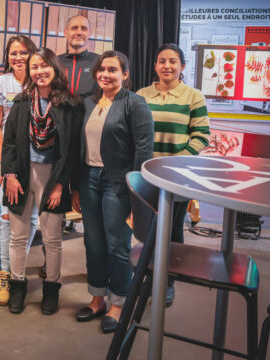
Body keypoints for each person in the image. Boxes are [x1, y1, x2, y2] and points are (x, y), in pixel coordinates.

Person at [75, 50, 154, 333]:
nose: (105, 74)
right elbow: (79, 147)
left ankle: (118, 303)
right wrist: (76, 186)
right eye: (101, 69)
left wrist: (137, 194)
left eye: (112, 70)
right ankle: (97, 297)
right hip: (89, 180)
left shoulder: (135, 103)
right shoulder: (89, 103)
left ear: (125, 74)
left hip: (118, 182)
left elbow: (144, 150)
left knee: (117, 244)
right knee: (93, 242)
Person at [1, 48, 82, 315]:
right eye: (34, 67)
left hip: (53, 177)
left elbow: (72, 149)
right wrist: (10, 175)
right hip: (22, 175)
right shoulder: (22, 101)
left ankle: (51, 289)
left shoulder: (70, 104)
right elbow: (10, 141)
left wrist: (60, 184)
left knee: (52, 238)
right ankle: (17, 286)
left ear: (54, 68)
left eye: (44, 66)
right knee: (18, 236)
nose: (39, 71)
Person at [136, 43, 209, 307]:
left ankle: (168, 280)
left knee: (172, 229)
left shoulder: (193, 96)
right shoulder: (141, 94)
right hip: (145, 174)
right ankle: (148, 273)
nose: (167, 66)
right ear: (155, 65)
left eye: (173, 61)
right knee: (147, 228)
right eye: (162, 61)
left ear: (182, 66)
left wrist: (175, 165)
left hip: (176, 175)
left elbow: (202, 137)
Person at [0, 35, 39, 305]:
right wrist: (6, 162)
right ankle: (3, 273)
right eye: (13, 53)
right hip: (6, 158)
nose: (18, 57)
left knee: (31, 218)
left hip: (37, 158)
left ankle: (17, 267)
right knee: (7, 215)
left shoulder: (40, 79)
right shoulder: (0, 82)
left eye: (23, 52)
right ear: (7, 57)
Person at [58, 15, 99, 97]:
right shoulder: (55, 61)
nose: (79, 33)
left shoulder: (100, 61)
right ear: (65, 33)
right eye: (74, 28)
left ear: (89, 33)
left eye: (84, 29)